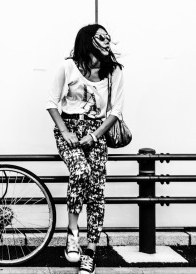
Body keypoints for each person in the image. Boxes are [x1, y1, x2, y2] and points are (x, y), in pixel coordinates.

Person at [46, 24, 124, 274]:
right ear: (88, 41)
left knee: (97, 190)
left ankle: (90, 250)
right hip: (68, 131)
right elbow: (51, 103)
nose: (106, 42)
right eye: (101, 37)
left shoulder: (114, 72)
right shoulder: (68, 66)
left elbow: (115, 112)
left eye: (108, 38)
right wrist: (65, 131)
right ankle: (72, 234)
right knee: (80, 171)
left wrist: (95, 135)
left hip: (97, 134)